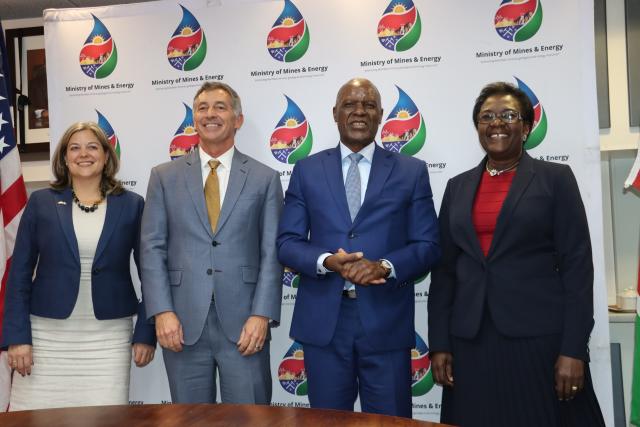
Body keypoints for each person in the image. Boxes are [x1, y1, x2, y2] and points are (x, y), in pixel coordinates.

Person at [428, 82, 605, 426]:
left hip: (538, 340)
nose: (496, 123)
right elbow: (445, 271)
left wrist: (573, 349)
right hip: (471, 342)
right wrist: (439, 343)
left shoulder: (555, 179)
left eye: (508, 115)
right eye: (486, 116)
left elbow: (577, 268)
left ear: (526, 127)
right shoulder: (458, 187)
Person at [277, 78, 440, 418]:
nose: (359, 111)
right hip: (325, 323)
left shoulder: (411, 172)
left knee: (390, 420)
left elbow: (428, 245)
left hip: (385, 320)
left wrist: (384, 266)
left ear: (381, 114)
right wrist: (326, 261)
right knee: (326, 422)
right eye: (350, 104)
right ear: (336, 113)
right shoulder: (307, 170)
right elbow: (287, 243)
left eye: (368, 105)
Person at [141, 82, 283, 404]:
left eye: (220, 106)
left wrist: (261, 315)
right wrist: (162, 312)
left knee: (251, 420)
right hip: (182, 325)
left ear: (238, 119)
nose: (210, 114)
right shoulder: (164, 177)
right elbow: (152, 249)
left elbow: (272, 253)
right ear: (194, 119)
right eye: (202, 108)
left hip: (246, 325)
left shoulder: (265, 178)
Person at [1, 122, 156, 411]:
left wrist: (146, 332)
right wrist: (17, 337)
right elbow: (19, 274)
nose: (83, 154)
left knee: (104, 418)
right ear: (64, 158)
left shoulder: (133, 205)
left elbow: (151, 274)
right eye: (74, 148)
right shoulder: (41, 203)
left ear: (107, 156)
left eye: (92, 146)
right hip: (45, 338)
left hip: (108, 339)